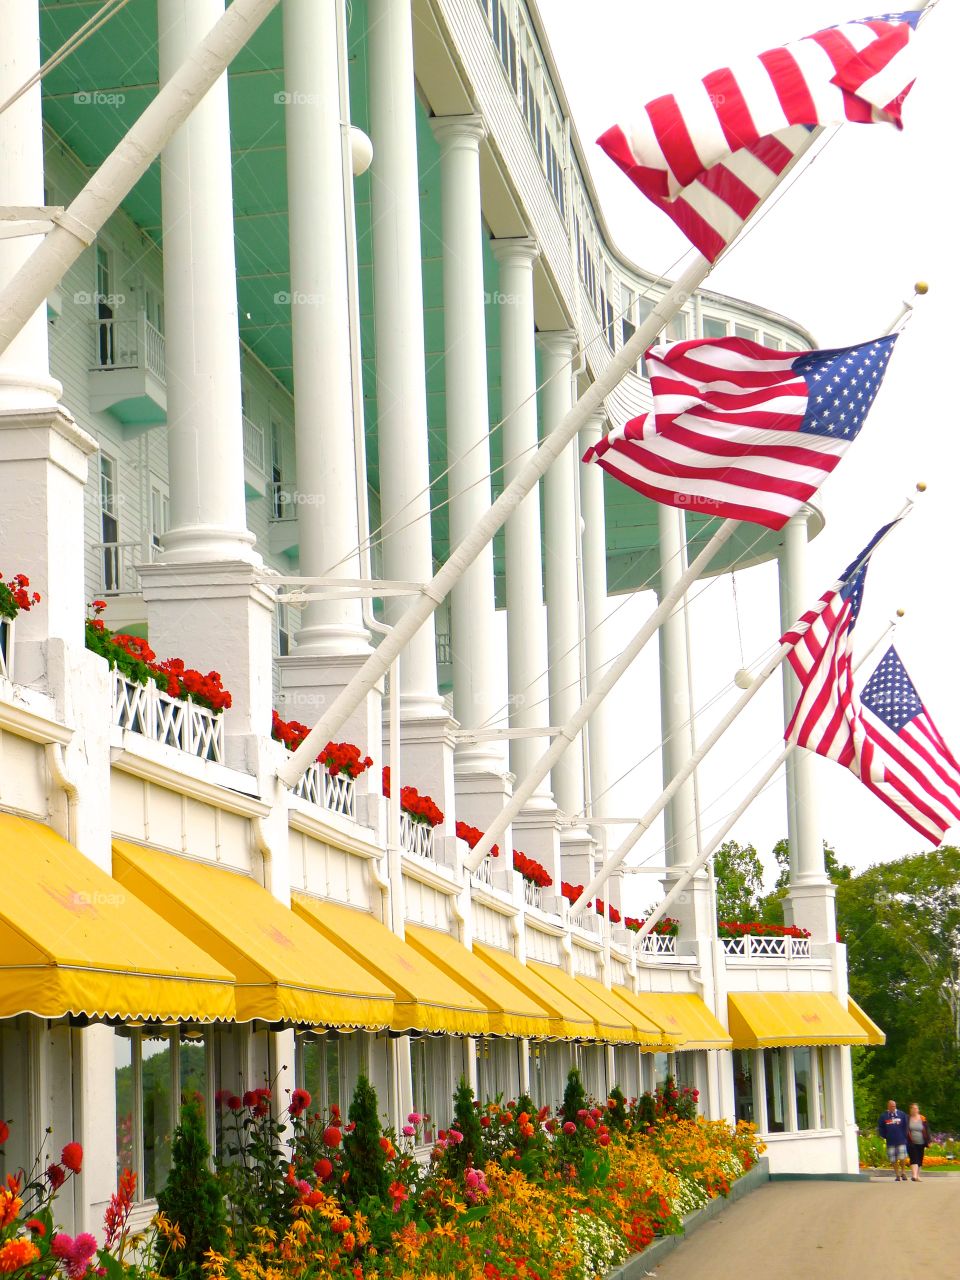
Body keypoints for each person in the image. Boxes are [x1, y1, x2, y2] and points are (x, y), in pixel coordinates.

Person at [878, 1099, 910, 1181]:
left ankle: (903, 1172)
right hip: (890, 1141)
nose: (893, 1107)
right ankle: (897, 1175)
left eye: (894, 1106)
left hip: (901, 1140)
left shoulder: (901, 1114)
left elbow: (906, 1126)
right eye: (892, 1106)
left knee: (902, 1157)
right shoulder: (884, 1116)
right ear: (888, 1106)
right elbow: (881, 1128)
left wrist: (904, 1135)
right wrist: (885, 1136)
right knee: (893, 1158)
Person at [906, 1103, 932, 1182]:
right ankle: (914, 1176)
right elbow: (905, 1129)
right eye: (913, 1108)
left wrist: (929, 1140)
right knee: (913, 1158)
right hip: (911, 1142)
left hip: (922, 1142)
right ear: (910, 1110)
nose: (915, 1110)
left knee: (920, 1159)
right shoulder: (907, 1118)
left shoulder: (922, 1118)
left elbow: (927, 1130)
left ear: (918, 1110)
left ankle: (917, 1176)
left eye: (916, 1108)